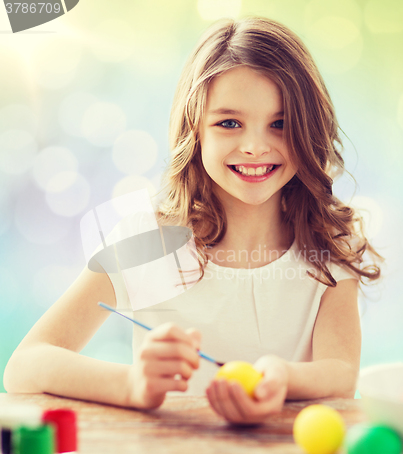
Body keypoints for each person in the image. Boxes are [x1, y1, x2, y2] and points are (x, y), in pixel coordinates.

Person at [3, 16, 383, 425]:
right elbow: (26, 365)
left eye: (280, 124)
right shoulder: (149, 241)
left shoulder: (328, 245)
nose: (255, 146)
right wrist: (132, 385)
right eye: (229, 123)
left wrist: (282, 378)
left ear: (310, 130)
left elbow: (341, 375)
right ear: (195, 130)